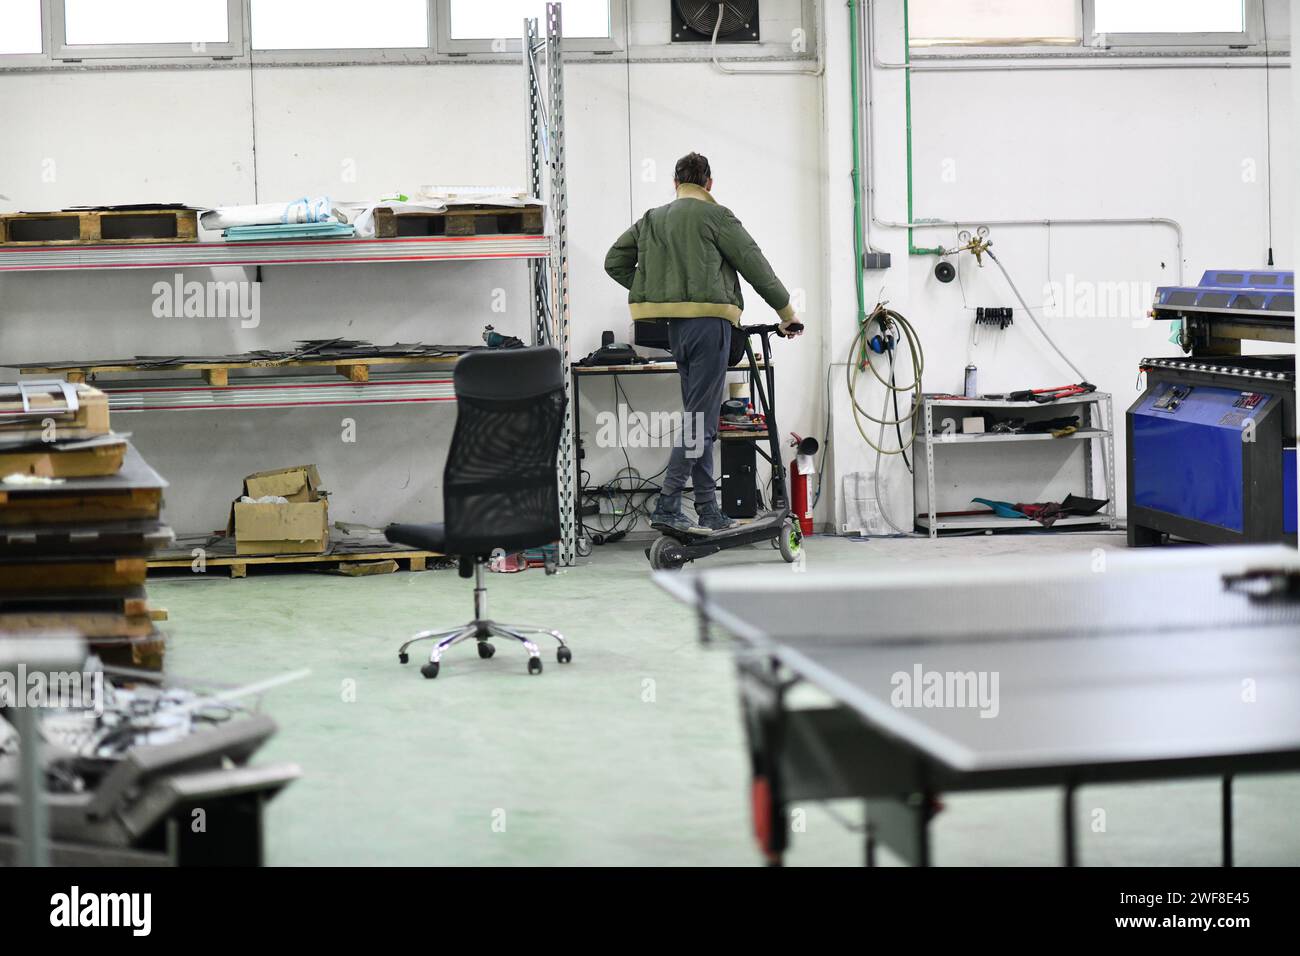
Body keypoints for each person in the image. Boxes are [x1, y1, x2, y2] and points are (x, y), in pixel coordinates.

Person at [604, 151, 801, 535]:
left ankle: (709, 508)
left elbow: (615, 261)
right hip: (711, 327)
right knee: (701, 421)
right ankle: (669, 501)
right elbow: (754, 264)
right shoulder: (717, 216)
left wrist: (655, 290)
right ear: (709, 183)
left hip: (675, 330)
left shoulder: (652, 219)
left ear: (675, 183)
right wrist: (787, 313)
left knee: (700, 417)